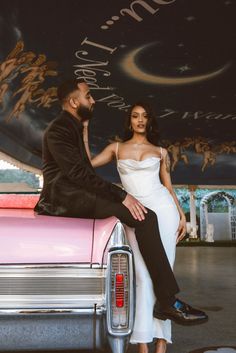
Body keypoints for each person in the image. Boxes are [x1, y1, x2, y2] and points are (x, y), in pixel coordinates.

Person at [34, 79, 208, 336]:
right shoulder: (59, 129)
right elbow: (79, 173)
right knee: (144, 217)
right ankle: (168, 302)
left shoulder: (69, 125)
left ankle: (166, 302)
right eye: (88, 96)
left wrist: (84, 128)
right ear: (74, 102)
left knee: (146, 218)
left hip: (76, 193)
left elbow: (82, 168)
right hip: (65, 197)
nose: (93, 100)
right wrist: (122, 195)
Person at [87, 102, 187, 353]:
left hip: (164, 212)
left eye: (144, 116)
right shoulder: (116, 148)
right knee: (143, 277)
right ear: (129, 120)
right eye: (135, 116)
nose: (140, 120)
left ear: (149, 120)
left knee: (164, 275)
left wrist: (181, 215)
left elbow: (168, 187)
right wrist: (85, 127)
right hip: (135, 213)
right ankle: (143, 342)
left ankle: (162, 341)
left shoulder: (161, 151)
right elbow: (86, 164)